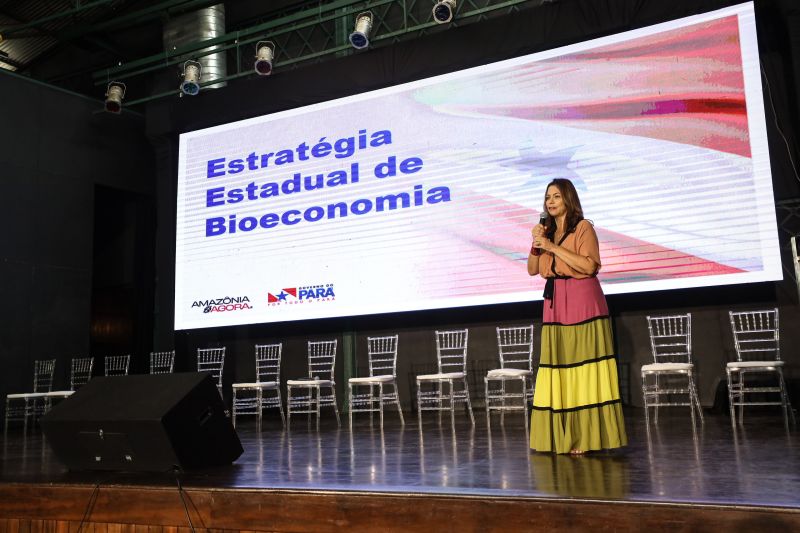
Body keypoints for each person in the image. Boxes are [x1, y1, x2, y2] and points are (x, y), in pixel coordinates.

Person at [527, 178, 626, 455]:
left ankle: (585, 435)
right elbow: (532, 269)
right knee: (559, 367)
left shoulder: (583, 228)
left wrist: (552, 247)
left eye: (556, 196)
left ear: (568, 199)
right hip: (555, 302)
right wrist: (537, 245)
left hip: (583, 300)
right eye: (548, 197)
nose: (550, 201)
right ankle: (561, 434)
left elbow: (589, 265)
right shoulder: (545, 233)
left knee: (584, 368)